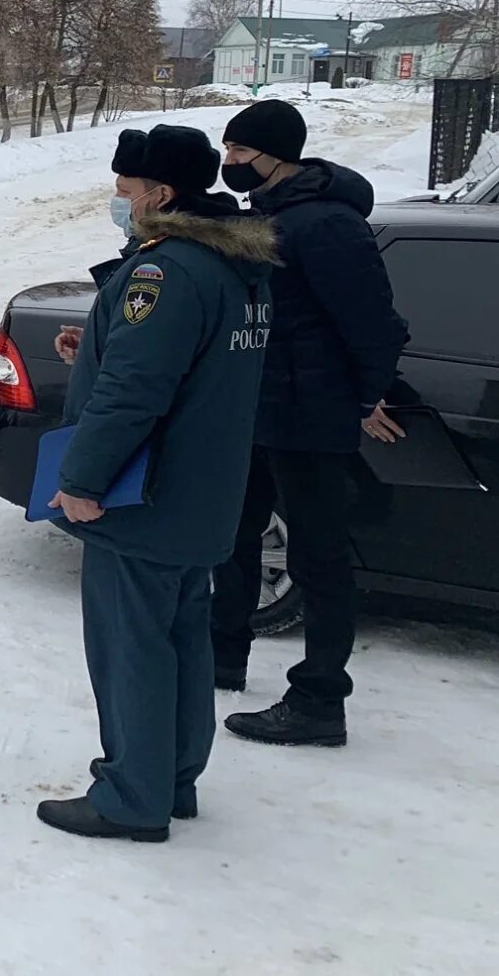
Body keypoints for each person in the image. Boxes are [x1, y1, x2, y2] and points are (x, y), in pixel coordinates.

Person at [38, 124, 277, 843]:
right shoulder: (233, 265)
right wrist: (101, 342)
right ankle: (171, 779)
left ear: (161, 193)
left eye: (126, 192)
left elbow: (137, 391)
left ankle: (130, 798)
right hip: (203, 494)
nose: (121, 204)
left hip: (146, 496)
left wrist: (82, 479)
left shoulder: (164, 272)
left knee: (130, 646)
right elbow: (188, 363)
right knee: (181, 639)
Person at [209, 99, 409, 748]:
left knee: (317, 556)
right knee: (234, 536)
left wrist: (368, 394)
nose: (230, 163)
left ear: (275, 155)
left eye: (240, 152)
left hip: (312, 416)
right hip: (262, 408)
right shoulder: (267, 214)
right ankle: (223, 657)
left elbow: (372, 320)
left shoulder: (326, 224)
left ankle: (319, 699)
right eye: (227, 151)